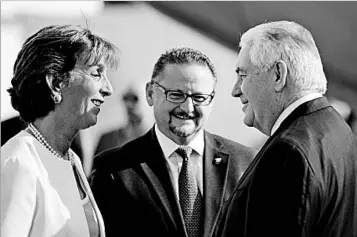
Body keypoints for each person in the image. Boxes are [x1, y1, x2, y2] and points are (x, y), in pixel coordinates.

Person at [90, 47, 256, 237]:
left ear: (212, 100)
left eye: (199, 97)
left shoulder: (246, 163)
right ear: (151, 94)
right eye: (176, 95)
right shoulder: (113, 170)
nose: (187, 107)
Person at [215, 21, 357, 237]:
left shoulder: (288, 152)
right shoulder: (337, 129)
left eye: (243, 75)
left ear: (279, 75)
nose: (235, 90)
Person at [1, 24, 119, 237]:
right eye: (96, 74)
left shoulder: (70, 158)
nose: (108, 89)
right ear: (56, 83)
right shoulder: (19, 162)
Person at [94, 87, 146, 155]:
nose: (129, 104)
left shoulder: (157, 140)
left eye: (135, 99)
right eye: (126, 99)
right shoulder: (107, 139)